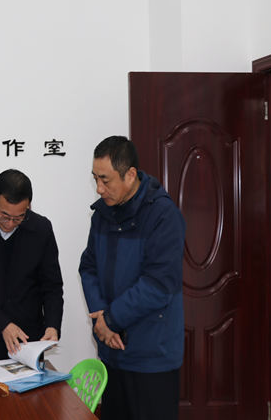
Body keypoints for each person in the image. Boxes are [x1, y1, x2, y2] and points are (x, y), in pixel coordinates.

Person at [79, 135, 185, 420]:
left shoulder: (163, 216)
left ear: (130, 175)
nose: (99, 188)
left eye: (105, 180)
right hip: (113, 351)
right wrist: (100, 314)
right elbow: (88, 266)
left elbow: (158, 285)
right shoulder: (102, 215)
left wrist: (110, 320)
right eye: (95, 178)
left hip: (152, 356)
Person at [0, 169, 64, 362]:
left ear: (28, 206)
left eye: (18, 218)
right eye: (4, 215)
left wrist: (52, 325)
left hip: (28, 341)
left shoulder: (41, 229)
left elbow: (52, 285)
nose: (9, 224)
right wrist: (3, 325)